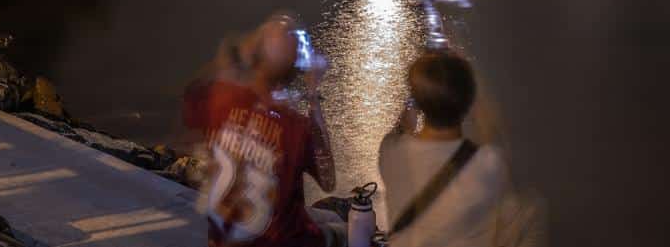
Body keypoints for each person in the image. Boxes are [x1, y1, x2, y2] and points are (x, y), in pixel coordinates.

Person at [184, 14, 342, 246]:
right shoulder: (293, 127)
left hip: (220, 239)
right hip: (275, 240)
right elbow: (328, 179)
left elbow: (194, 93)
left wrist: (240, 57)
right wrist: (312, 94)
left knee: (325, 216)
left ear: (254, 54)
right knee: (343, 230)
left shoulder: (220, 98)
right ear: (295, 70)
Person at [378, 50, 507, 246]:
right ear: (469, 101)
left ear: (418, 104)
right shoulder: (490, 163)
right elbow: (489, 129)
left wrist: (408, 114)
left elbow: (398, 133)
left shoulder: (391, 152)